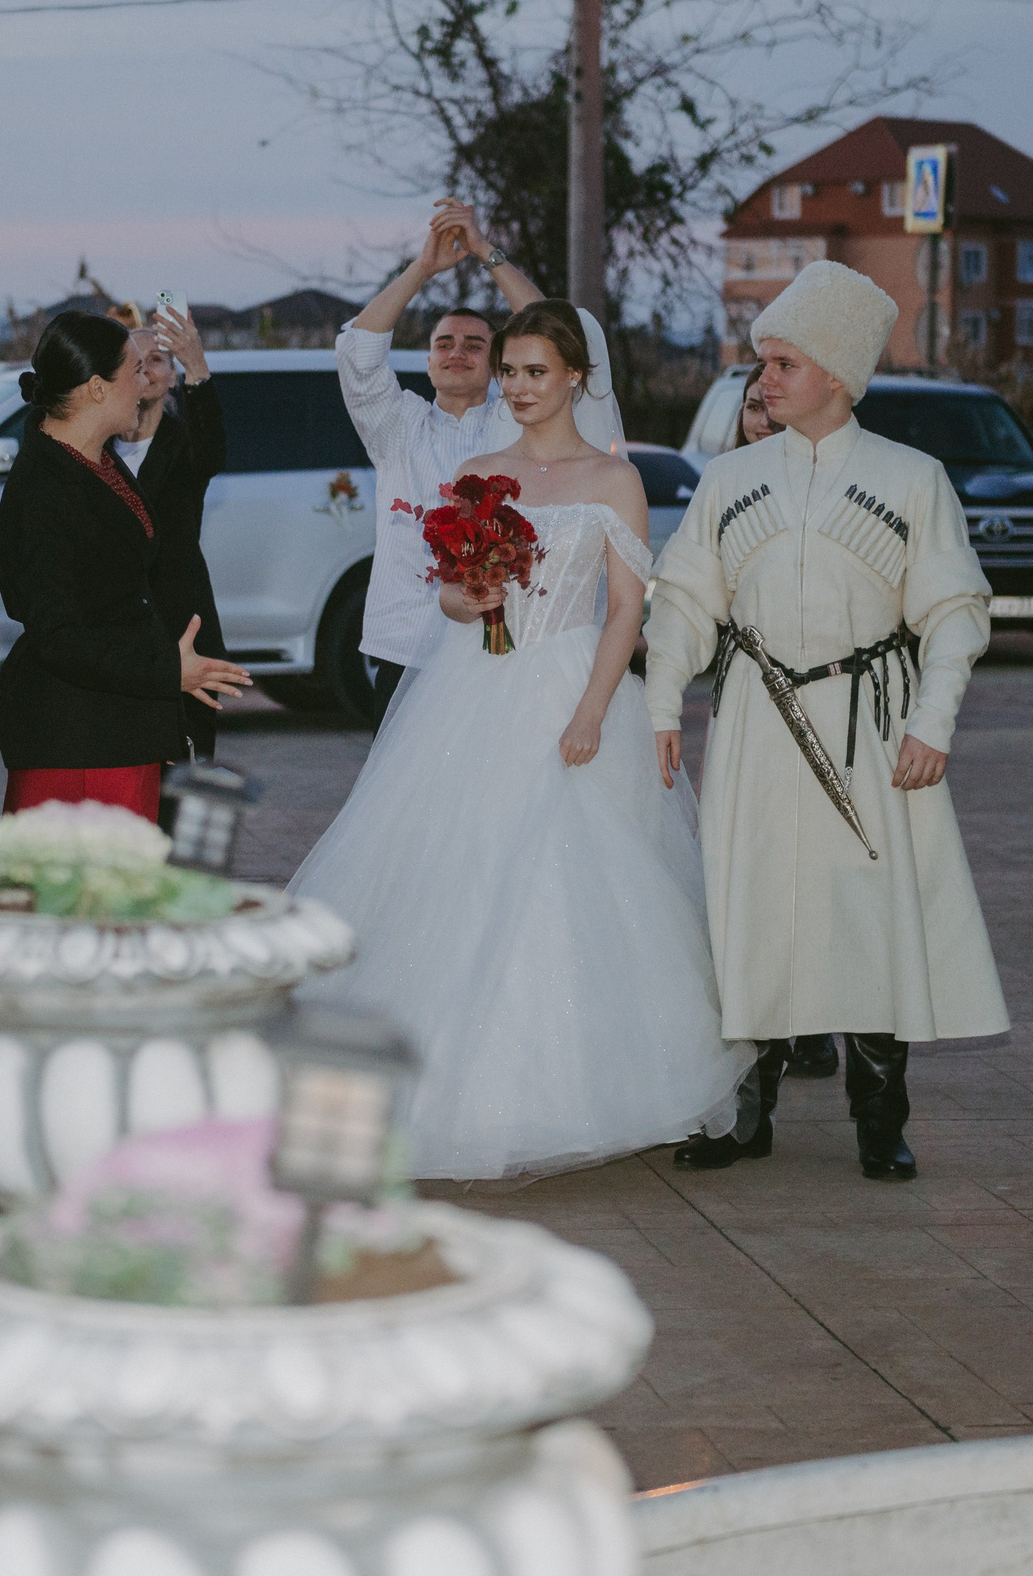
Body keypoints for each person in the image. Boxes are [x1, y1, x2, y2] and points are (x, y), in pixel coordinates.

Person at [288, 301, 747, 1181]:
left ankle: (594, 1081)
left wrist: (588, 710)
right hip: (477, 687)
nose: (520, 388)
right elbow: (451, 597)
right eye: (511, 372)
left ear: (576, 374)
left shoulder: (613, 480)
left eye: (536, 371)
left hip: (576, 684)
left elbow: (625, 610)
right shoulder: (478, 467)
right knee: (458, 874)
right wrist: (476, 595)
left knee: (581, 878)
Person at [647, 260, 1007, 1181]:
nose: (762, 380)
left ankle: (879, 1120)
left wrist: (932, 721)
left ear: (838, 376)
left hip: (874, 730)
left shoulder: (913, 478)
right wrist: (662, 707)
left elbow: (956, 610)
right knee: (750, 911)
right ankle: (745, 1114)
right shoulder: (730, 480)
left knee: (868, 915)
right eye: (762, 361)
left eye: (784, 364)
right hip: (758, 727)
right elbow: (684, 598)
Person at [0, 312, 249, 820]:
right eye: (135, 370)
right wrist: (165, 669)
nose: (146, 382)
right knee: (84, 898)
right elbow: (59, 634)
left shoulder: (95, 459)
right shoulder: (46, 486)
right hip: (79, 743)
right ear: (94, 388)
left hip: (117, 730)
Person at [336, 200, 543, 725]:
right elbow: (358, 349)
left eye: (475, 345)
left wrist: (484, 251)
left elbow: (556, 335)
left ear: (497, 364)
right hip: (406, 648)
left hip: (502, 643)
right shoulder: (396, 424)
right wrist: (423, 267)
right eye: (444, 343)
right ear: (426, 361)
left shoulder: (517, 420)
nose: (458, 352)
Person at [720, 375, 840, 1082]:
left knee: (818, 871)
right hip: (749, 706)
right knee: (760, 876)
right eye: (751, 408)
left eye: (771, 406)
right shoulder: (726, 488)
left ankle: (818, 1021)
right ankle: (762, 1043)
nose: (761, 419)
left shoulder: (822, 485)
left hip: (818, 702)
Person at [121, 308, 229, 759]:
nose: (145, 368)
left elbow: (214, 450)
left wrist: (196, 361)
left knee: (182, 780)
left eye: (158, 359)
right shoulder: (93, 448)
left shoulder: (185, 444)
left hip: (181, 626)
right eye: (133, 360)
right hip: (118, 637)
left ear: (171, 376)